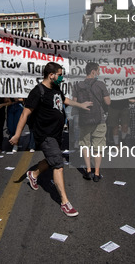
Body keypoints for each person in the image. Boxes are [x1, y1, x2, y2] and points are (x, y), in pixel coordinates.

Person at [9, 62, 92, 217]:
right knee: (58, 164)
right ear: (51, 75)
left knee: (52, 159)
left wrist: (80, 105)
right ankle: (65, 203)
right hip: (45, 135)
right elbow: (25, 114)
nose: (61, 77)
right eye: (60, 74)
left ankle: (33, 175)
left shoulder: (55, 88)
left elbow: (64, 100)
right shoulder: (37, 92)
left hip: (56, 134)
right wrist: (17, 135)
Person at [73, 62, 111, 182]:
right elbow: (108, 102)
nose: (99, 73)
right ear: (93, 71)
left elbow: (74, 102)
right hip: (99, 119)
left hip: (84, 119)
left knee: (85, 144)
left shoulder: (77, 85)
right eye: (98, 70)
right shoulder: (100, 84)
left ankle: (88, 170)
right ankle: (97, 172)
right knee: (98, 146)